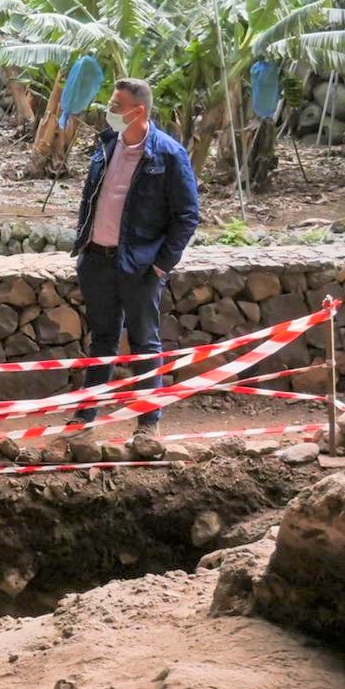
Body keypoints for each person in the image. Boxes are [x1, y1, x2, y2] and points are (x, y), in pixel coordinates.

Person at [70, 78, 201, 436]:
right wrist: (83, 246)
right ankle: (85, 416)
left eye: (115, 106)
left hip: (141, 266)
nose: (109, 112)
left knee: (145, 342)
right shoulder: (106, 144)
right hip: (96, 260)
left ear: (138, 111)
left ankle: (148, 424)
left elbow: (187, 215)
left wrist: (160, 264)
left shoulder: (169, 155)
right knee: (102, 341)